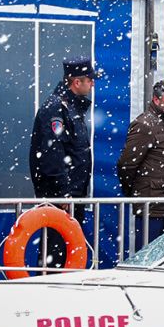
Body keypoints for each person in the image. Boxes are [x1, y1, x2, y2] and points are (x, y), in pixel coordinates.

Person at [29, 58, 98, 269]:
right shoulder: (57, 109)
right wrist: (62, 193)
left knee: (69, 249)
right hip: (63, 195)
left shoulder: (71, 107)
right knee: (56, 249)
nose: (92, 84)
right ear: (76, 82)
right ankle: (51, 285)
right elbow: (52, 153)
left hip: (73, 193)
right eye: (89, 80)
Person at [116, 78, 164, 246]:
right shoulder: (144, 124)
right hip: (153, 206)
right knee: (148, 253)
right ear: (156, 100)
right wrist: (136, 192)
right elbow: (126, 164)